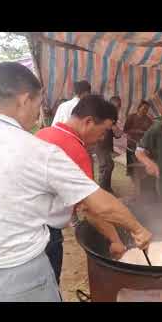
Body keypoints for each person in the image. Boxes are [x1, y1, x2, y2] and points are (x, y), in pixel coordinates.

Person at [0, 62, 151, 302]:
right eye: (38, 105)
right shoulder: (39, 151)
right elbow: (99, 204)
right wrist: (138, 229)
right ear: (24, 100)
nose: (37, 113)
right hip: (20, 277)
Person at [36, 94, 129, 285]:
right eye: (103, 131)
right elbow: (90, 209)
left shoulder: (44, 133)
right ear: (88, 122)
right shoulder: (76, 151)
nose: (102, 138)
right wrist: (115, 240)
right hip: (45, 235)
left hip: (28, 227)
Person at [91, 96, 123, 194]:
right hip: (100, 144)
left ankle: (107, 188)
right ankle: (102, 190)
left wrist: (117, 131)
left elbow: (116, 135)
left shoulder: (114, 117)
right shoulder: (102, 115)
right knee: (106, 166)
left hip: (107, 146)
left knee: (109, 165)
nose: (117, 108)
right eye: (116, 106)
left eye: (119, 106)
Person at [124, 100, 153, 182]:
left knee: (140, 165)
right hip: (131, 144)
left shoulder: (148, 120)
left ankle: (139, 180)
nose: (145, 111)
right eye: (144, 108)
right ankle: (133, 179)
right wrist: (137, 131)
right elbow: (125, 130)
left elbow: (150, 132)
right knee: (131, 165)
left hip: (142, 146)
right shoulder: (131, 117)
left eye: (147, 109)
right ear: (139, 108)